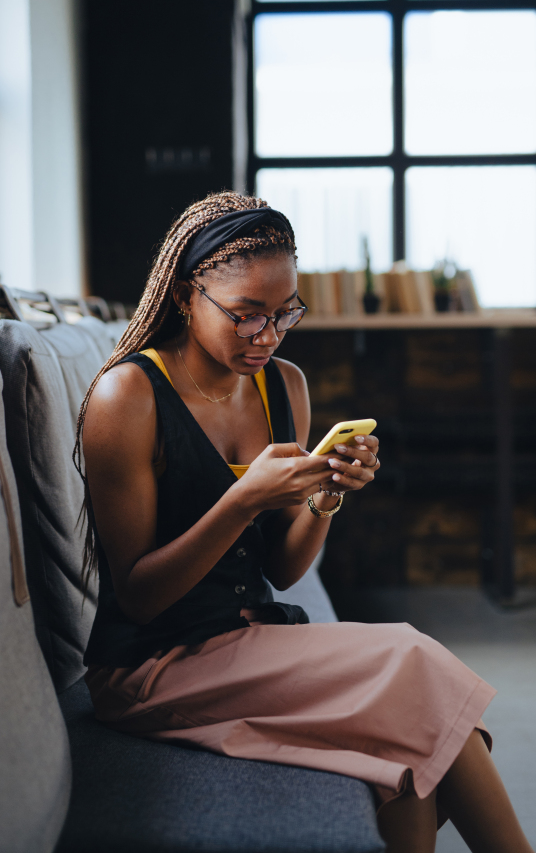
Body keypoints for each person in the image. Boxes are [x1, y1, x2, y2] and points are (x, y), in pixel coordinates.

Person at [75, 191, 533, 853]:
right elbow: (141, 598)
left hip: (249, 636)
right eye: (245, 316)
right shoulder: (128, 396)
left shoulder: (283, 385)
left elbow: (285, 571)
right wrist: (243, 501)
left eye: (284, 312)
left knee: (408, 757)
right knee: (412, 658)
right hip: (154, 666)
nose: (267, 335)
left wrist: (327, 493)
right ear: (183, 297)